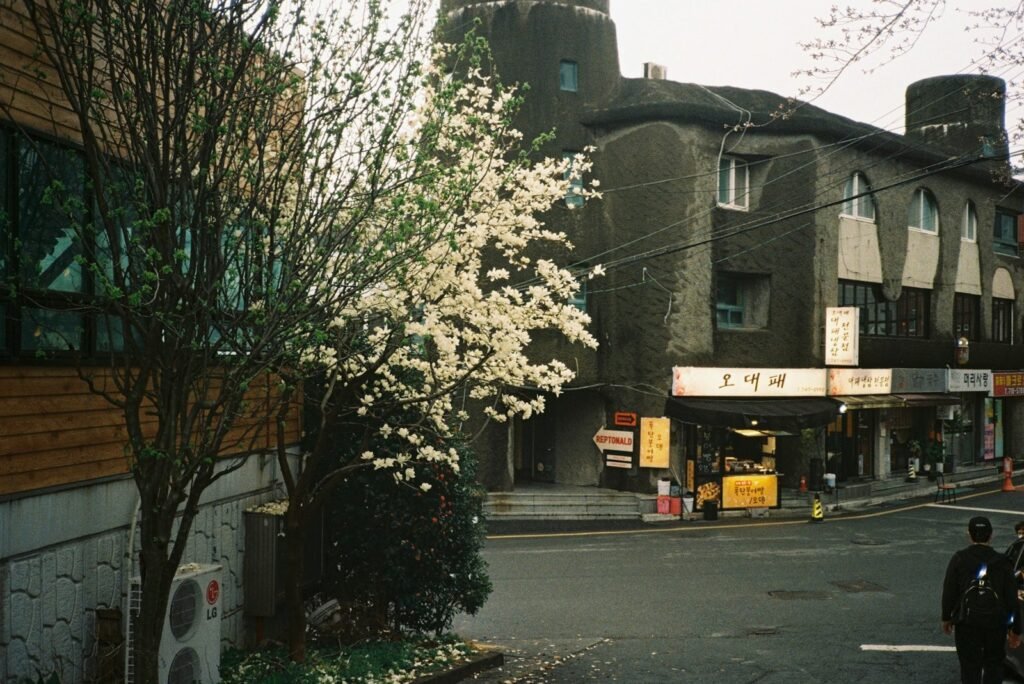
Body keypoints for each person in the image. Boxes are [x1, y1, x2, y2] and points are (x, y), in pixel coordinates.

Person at [942, 516, 1022, 684]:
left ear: (969, 535)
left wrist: (946, 617)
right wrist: (1015, 629)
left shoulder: (959, 559)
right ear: (991, 535)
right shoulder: (1003, 562)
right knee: (994, 664)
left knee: (969, 666)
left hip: (967, 622)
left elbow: (949, 591)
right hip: (995, 623)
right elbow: (1011, 598)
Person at [1005, 520, 1024, 585]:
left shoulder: (1016, 544)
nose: (1021, 536)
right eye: (1020, 533)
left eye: (1023, 533)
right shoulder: (1015, 545)